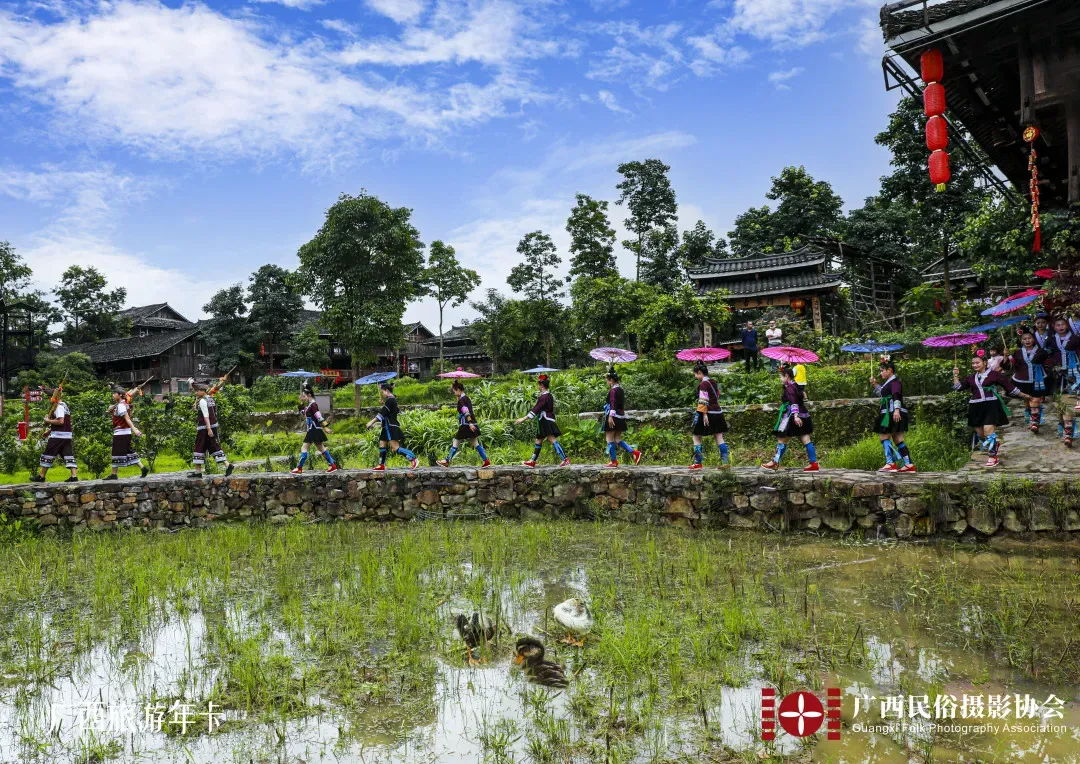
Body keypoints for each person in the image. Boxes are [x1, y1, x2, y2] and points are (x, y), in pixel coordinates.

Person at [954, 353, 1027, 468]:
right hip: (975, 406)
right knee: (981, 434)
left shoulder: (994, 375)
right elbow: (958, 388)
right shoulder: (971, 378)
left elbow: (1009, 386)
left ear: (984, 362)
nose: (975, 365)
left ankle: (993, 456)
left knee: (988, 431)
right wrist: (955, 375)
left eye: (977, 362)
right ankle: (994, 446)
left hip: (991, 405)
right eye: (973, 363)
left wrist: (1024, 395)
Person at [762, 366, 819, 472]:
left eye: (781, 376)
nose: (780, 379)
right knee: (806, 439)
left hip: (792, 416)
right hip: (804, 415)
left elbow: (793, 402)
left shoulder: (790, 388)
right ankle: (813, 463)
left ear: (786, 376)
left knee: (782, 439)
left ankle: (775, 462)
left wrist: (796, 416)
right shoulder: (796, 385)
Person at [514, 374, 570, 468]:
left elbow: (536, 409)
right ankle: (532, 461)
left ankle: (565, 459)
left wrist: (523, 419)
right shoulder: (549, 395)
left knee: (551, 439)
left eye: (538, 385)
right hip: (545, 420)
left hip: (545, 420)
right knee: (538, 440)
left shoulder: (544, 397)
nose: (538, 386)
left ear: (542, 386)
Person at [871, 359, 915, 472]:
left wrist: (896, 410)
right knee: (898, 439)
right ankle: (908, 464)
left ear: (889, 370)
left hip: (891, 413)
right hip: (894, 412)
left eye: (882, 370)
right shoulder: (890, 382)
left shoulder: (894, 382)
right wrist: (875, 384)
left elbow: (896, 395)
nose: (881, 373)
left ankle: (890, 463)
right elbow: (883, 393)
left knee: (884, 437)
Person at [436, 380, 492, 468]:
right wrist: (471, 423)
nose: (454, 393)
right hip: (471, 423)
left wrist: (470, 423)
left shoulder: (462, 400)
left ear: (458, 390)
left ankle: (447, 461)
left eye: (454, 391)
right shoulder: (466, 398)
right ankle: (486, 461)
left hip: (466, 425)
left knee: (456, 442)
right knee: (475, 443)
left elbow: (466, 411)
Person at [1044, 316, 1080, 446]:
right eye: (1058, 325)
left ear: (1067, 326)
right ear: (1054, 327)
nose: (1060, 327)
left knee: (1070, 402)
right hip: (1058, 376)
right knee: (1060, 402)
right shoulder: (1051, 340)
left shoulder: (1075, 339)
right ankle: (1067, 431)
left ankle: (1068, 434)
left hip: (1075, 375)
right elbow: (1046, 356)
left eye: (1063, 324)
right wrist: (1052, 366)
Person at [367, 382, 419, 471]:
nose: (382, 394)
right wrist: (383, 404)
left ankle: (413, 458)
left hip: (390, 427)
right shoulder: (391, 400)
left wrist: (371, 422)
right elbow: (389, 411)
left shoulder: (390, 400)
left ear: (387, 390)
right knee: (382, 444)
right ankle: (381, 465)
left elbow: (382, 414)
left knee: (395, 448)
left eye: (382, 392)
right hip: (387, 426)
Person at [1005, 326, 1047, 433]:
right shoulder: (1017, 353)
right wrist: (1006, 357)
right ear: (1021, 341)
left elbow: (1047, 363)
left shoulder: (1041, 351)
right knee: (1027, 401)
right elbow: (1008, 367)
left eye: (1029, 338)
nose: (1027, 340)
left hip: (1038, 379)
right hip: (1022, 380)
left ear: (1033, 339)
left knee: (1035, 400)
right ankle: (1032, 415)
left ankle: (1034, 423)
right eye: (1024, 339)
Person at [688, 361, 729, 470]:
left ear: (700, 373)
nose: (695, 377)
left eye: (695, 374)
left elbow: (703, 400)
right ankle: (725, 462)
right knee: (719, 437)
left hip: (707, 413)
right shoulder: (713, 382)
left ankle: (698, 462)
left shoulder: (703, 384)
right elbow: (717, 394)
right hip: (718, 412)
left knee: (696, 436)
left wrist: (704, 414)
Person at [33, 386, 78, 483]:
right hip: (66, 435)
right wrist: (49, 431)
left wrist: (48, 420)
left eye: (49, 397)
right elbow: (63, 422)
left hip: (58, 436)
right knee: (68, 454)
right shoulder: (64, 405)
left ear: (52, 397)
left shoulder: (58, 406)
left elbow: (61, 421)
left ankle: (41, 476)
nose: (49, 399)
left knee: (48, 453)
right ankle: (74, 476)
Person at [291, 385, 339, 474]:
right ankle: (332, 465)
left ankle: (299, 467)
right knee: (321, 448)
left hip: (313, 429)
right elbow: (304, 412)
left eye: (304, 396)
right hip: (313, 429)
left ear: (309, 395)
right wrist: (301, 403)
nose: (303, 398)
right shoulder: (310, 405)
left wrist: (325, 427)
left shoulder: (313, 405)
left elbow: (319, 416)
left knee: (304, 447)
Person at [191, 382, 234, 478]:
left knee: (199, 446)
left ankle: (198, 472)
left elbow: (206, 416)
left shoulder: (203, 401)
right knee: (213, 446)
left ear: (203, 391)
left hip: (205, 428)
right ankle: (228, 465)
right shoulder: (210, 399)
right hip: (213, 426)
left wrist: (208, 429)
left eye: (197, 391)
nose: (196, 393)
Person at [599, 370, 641, 468]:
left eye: (607, 380)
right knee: (617, 439)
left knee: (609, 439)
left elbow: (613, 403)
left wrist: (610, 416)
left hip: (613, 416)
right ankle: (635, 452)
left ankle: (613, 461)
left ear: (611, 380)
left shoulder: (613, 390)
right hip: (621, 417)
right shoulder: (620, 390)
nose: (607, 382)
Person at [108, 385, 149, 480]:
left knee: (116, 452)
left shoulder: (121, 405)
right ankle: (143, 468)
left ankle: (114, 474)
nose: (113, 395)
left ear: (120, 395)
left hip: (121, 432)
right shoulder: (122, 404)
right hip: (123, 432)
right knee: (129, 451)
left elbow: (127, 419)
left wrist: (134, 429)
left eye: (114, 393)